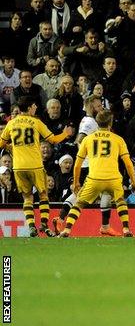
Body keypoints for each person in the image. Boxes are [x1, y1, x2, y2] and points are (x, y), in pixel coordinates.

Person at [0, 96, 73, 237]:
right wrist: (65, 133)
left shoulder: (11, 124)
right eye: (34, 106)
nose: (36, 108)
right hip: (35, 165)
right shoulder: (35, 122)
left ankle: (31, 226)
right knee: (43, 195)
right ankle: (44, 225)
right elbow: (53, 139)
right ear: (29, 108)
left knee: (27, 198)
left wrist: (12, 146)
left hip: (19, 167)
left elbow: (1, 144)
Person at [59, 110, 135, 237]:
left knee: (79, 203)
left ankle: (67, 230)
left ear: (97, 122)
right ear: (110, 123)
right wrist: (133, 181)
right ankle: (126, 229)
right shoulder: (118, 139)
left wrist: (76, 181)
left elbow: (77, 164)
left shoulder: (88, 139)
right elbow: (128, 164)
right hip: (113, 178)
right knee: (120, 201)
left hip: (94, 178)